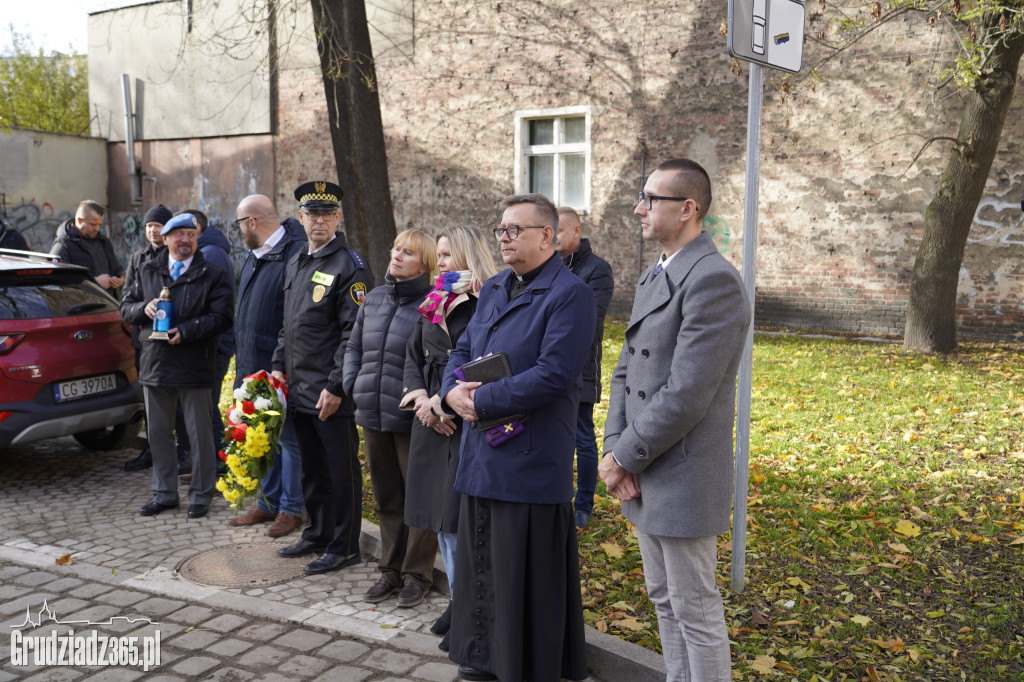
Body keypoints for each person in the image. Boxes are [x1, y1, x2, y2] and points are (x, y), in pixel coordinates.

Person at [599, 159, 751, 682]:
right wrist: (614, 446)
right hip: (643, 465)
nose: (638, 209)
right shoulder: (656, 273)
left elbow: (687, 393)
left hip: (682, 470)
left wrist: (623, 456)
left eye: (650, 199)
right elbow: (625, 371)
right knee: (663, 598)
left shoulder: (713, 280)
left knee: (695, 608)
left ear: (687, 209)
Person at [440, 193, 593, 682]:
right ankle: (480, 655)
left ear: (547, 236)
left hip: (529, 457)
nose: (503, 238)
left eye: (514, 230)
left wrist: (481, 401)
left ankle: (521, 664)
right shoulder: (494, 287)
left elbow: (554, 374)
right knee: (481, 561)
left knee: (517, 568)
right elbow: (462, 349)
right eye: (500, 230)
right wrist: (450, 392)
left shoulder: (570, 294)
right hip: (481, 451)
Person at [271, 180, 374, 575]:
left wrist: (335, 386)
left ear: (337, 217)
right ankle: (318, 532)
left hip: (329, 392)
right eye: (312, 214)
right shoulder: (297, 259)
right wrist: (278, 364)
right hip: (299, 388)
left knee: (340, 471)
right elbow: (290, 323)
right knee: (312, 469)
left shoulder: (349, 265)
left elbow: (354, 334)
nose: (319, 220)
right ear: (300, 218)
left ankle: (344, 546)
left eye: (327, 214)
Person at [401, 226, 498, 640]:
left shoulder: (487, 300)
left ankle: (467, 606)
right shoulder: (434, 300)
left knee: (459, 518)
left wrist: (443, 404)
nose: (438, 263)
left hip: (463, 420)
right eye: (438, 256)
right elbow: (412, 355)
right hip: (430, 420)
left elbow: (482, 362)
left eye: (445, 256)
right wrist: (423, 401)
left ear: (465, 255)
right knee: (437, 518)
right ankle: (458, 601)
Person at [343, 230, 437, 608]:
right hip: (371, 412)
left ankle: (417, 575)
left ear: (425, 264)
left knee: (418, 498)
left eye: (408, 252)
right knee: (386, 498)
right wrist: (353, 384)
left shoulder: (431, 303)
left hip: (411, 417)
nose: (397, 256)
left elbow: (436, 360)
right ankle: (390, 570)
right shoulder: (375, 298)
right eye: (396, 248)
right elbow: (353, 346)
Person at [120, 212, 234, 519]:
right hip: (155, 364)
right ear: (167, 238)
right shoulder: (147, 269)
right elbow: (125, 308)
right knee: (158, 434)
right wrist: (143, 308)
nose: (186, 240)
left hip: (194, 364)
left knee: (199, 435)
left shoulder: (212, 273)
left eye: (191, 235)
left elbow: (222, 317)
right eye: (179, 235)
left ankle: (201, 495)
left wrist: (187, 331)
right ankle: (165, 494)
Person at [228, 194, 308, 537]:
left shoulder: (295, 253)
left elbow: (293, 316)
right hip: (251, 365)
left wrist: (280, 363)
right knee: (263, 436)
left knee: (289, 440)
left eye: (239, 224)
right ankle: (268, 502)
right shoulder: (255, 254)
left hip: (279, 366)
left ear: (252, 222)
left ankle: (291, 509)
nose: (239, 231)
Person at [556, 206, 614, 529]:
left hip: (581, 368)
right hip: (548, 366)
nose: (552, 237)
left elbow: (588, 320)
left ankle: (584, 505)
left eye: (559, 230)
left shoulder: (597, 270)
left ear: (576, 231)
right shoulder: (548, 266)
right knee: (555, 437)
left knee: (582, 436)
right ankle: (558, 499)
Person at [174, 209, 236, 481]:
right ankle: (210, 465)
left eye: (185, 231)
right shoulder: (210, 250)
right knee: (204, 406)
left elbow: (207, 305)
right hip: (211, 342)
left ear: (197, 229)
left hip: (214, 344)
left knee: (207, 407)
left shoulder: (210, 254)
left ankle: (219, 465)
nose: (181, 238)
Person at [123, 203, 173, 473]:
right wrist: (144, 308)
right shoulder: (138, 256)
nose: (153, 231)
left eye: (158, 225)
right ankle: (152, 450)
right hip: (143, 339)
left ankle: (180, 451)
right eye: (149, 226)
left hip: (172, 339)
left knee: (175, 398)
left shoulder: (175, 254)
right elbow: (127, 299)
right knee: (149, 400)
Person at [50, 200, 124, 290]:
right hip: (80, 298)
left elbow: (117, 270)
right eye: (93, 224)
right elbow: (57, 277)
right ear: (79, 220)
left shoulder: (103, 241)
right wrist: (94, 281)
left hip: (106, 297)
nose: (97, 229)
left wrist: (120, 279)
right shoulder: (63, 244)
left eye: (99, 224)